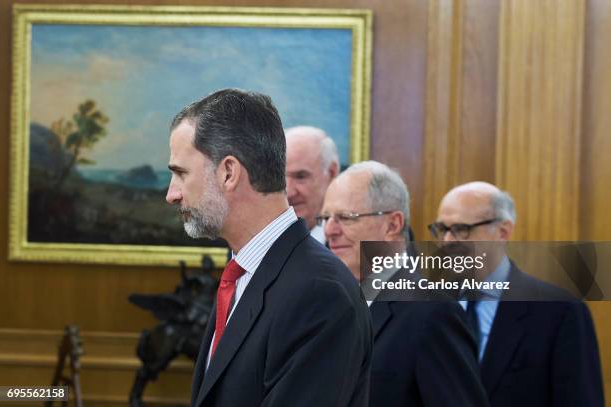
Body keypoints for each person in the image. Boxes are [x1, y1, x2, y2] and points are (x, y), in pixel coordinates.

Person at [166, 89, 372, 407]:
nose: (172, 194)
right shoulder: (243, 272)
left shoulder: (319, 292)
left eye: (180, 174)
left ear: (229, 173)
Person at [321, 161, 489, 407]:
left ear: (393, 225)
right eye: (325, 218)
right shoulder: (330, 303)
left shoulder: (432, 311)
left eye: (346, 217)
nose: (329, 230)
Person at [431, 181, 605, 407]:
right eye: (441, 230)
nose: (447, 242)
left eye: (461, 230)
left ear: (503, 232)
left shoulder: (559, 311)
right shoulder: (427, 306)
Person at [285, 126, 339, 244]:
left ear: (331, 173)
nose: (288, 192)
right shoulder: (259, 242)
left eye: (300, 177)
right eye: (280, 178)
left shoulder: (361, 239)